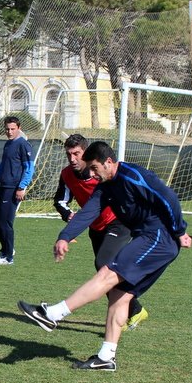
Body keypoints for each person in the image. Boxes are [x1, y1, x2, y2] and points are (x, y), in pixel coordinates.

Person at [19, 142, 192, 371]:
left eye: (94, 168)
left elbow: (168, 197)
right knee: (119, 296)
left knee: (107, 273)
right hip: (149, 238)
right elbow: (87, 213)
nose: (91, 173)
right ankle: (106, 357)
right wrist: (64, 237)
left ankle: (53, 313)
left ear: (108, 163)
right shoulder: (105, 187)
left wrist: (179, 231)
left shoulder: (134, 176)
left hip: (159, 238)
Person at [53, 134, 148, 332]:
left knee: (104, 265)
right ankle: (134, 310)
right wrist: (68, 215)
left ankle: (119, 317)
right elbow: (60, 201)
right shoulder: (67, 175)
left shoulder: (102, 174)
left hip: (117, 223)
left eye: (76, 154)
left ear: (85, 154)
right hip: (95, 227)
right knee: (104, 272)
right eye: (68, 154)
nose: (72, 159)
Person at [0, 116, 34, 265]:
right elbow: (2, 166)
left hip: (14, 188)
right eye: (7, 129)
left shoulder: (23, 145)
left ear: (19, 128)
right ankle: (8, 248)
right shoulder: (8, 145)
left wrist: (22, 187)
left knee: (5, 222)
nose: (9, 132)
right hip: (4, 186)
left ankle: (7, 256)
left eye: (12, 129)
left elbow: (29, 168)